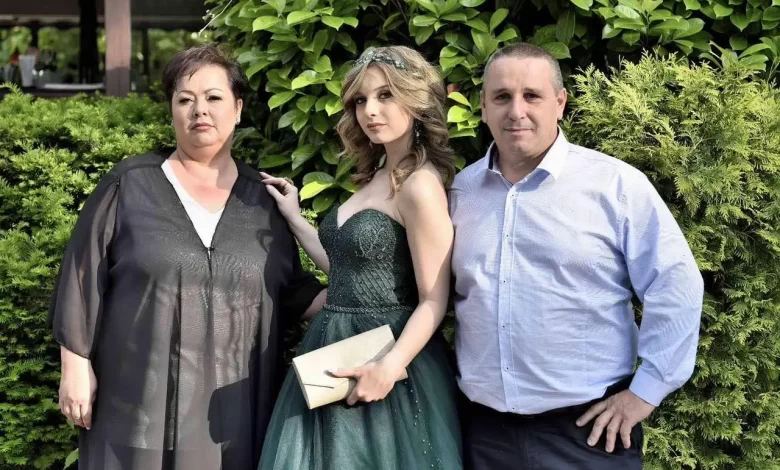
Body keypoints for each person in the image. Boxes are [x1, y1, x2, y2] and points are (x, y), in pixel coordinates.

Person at [50, 45, 326, 469]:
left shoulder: (262, 201)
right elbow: (82, 276)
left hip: (233, 416)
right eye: (185, 99)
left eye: (214, 97)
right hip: (135, 408)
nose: (200, 110)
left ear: (238, 108)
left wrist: (381, 299)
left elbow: (290, 292)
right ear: (172, 110)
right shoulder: (129, 185)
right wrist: (74, 366)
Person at [449, 42, 704, 469]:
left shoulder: (615, 185)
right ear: (484, 107)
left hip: (588, 434)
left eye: (532, 95)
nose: (516, 111)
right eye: (502, 96)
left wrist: (646, 392)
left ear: (560, 103)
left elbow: (675, 283)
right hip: (482, 434)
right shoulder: (461, 192)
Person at [258, 46, 462, 469]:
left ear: (415, 100)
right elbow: (347, 272)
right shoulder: (375, 176)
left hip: (388, 359)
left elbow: (433, 300)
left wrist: (389, 367)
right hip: (336, 350)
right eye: (360, 100)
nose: (370, 110)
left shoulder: (419, 185)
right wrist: (295, 219)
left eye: (385, 95)